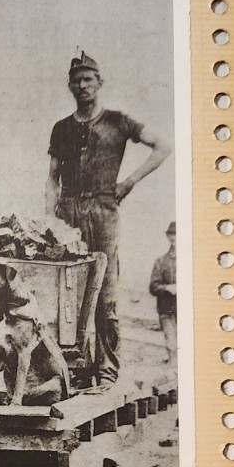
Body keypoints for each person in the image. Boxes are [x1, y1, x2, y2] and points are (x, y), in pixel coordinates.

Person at [46, 52, 170, 388]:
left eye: (88, 79)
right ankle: (75, 367)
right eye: (77, 80)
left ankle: (106, 369)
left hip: (103, 210)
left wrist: (129, 182)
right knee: (69, 292)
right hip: (68, 212)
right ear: (70, 86)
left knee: (106, 293)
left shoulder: (117, 121)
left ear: (99, 82)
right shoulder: (62, 128)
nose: (82, 85)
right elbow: (52, 178)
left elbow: (162, 146)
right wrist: (49, 220)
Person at [149, 220, 177, 362]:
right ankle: (173, 365)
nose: (174, 238)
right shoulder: (160, 262)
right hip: (166, 309)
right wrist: (167, 288)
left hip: (186, 310)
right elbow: (153, 286)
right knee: (171, 342)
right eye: (171, 234)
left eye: (176, 234)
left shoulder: (191, 259)